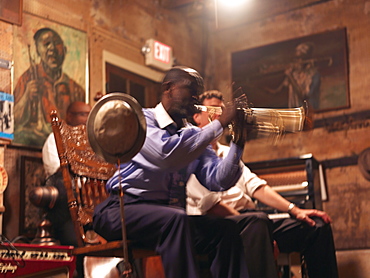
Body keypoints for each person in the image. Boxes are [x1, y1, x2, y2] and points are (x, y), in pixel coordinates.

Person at [92, 67, 249, 278]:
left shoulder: (193, 135)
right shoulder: (141, 121)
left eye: (197, 93)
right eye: (190, 90)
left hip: (168, 220)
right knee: (175, 219)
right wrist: (220, 123)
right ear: (169, 88)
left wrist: (239, 140)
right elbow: (165, 157)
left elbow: (218, 180)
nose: (195, 98)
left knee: (225, 231)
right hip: (119, 211)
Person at [187, 90, 339, 278]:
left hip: (254, 219)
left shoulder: (228, 152)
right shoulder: (190, 152)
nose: (219, 115)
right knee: (257, 223)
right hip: (225, 225)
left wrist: (295, 210)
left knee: (316, 226)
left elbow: (255, 186)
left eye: (221, 110)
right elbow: (212, 206)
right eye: (212, 109)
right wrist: (260, 234)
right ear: (196, 117)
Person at [42, 101, 91, 278]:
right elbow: (57, 172)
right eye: (82, 114)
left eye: (89, 115)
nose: (87, 120)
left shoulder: (92, 141)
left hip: (91, 204)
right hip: (66, 205)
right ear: (69, 116)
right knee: (74, 241)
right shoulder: (55, 139)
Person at [14, 27, 85, 147]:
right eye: (46, 44)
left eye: (56, 43)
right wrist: (26, 97)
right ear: (37, 51)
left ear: (65, 50)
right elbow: (12, 121)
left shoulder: (76, 90)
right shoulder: (27, 79)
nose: (52, 48)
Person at [264, 42, 322, 110]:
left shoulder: (314, 75)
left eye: (300, 59)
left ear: (306, 59)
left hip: (308, 112)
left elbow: (304, 96)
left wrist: (290, 76)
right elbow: (280, 89)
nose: (297, 62)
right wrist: (270, 91)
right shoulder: (294, 74)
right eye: (296, 59)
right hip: (296, 113)